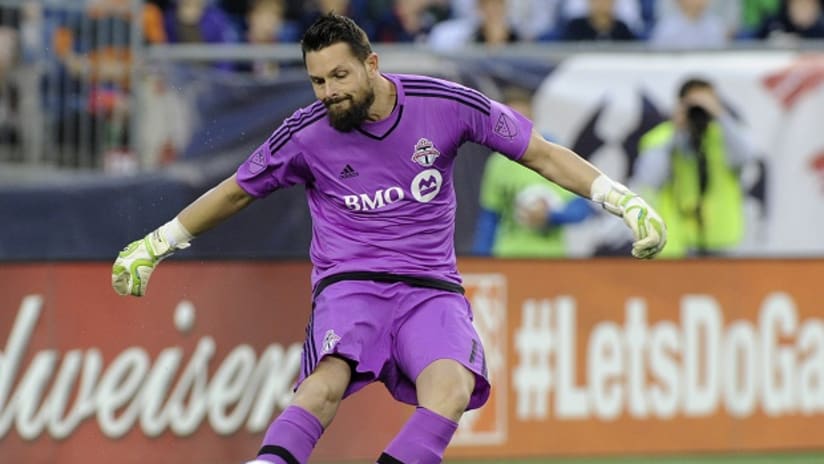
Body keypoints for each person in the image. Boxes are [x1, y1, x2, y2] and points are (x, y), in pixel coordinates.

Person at [111, 13, 666, 464]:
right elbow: (236, 191)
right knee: (325, 384)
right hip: (350, 284)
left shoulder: (444, 104)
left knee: (449, 391)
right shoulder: (305, 134)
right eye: (318, 81)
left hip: (431, 289)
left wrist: (621, 199)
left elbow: (541, 153)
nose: (329, 92)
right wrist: (158, 242)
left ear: (371, 64)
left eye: (340, 77)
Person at [633, 76, 757, 258]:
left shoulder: (724, 135)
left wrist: (720, 115)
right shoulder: (663, 137)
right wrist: (677, 131)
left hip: (724, 240)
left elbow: (746, 157)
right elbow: (649, 181)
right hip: (679, 243)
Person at [473, 87, 595, 257]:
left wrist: (551, 216)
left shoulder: (553, 155)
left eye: (523, 119)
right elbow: (490, 217)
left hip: (549, 260)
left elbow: (582, 208)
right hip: (508, 257)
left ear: (533, 118)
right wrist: (481, 261)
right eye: (509, 119)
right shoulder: (498, 163)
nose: (516, 127)